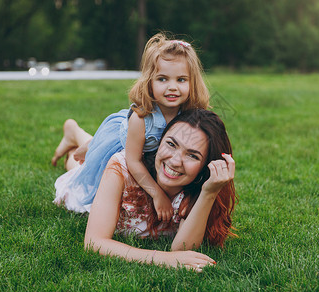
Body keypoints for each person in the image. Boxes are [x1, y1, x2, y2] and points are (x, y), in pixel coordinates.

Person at [51, 33, 209, 221]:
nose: (172, 87)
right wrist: (157, 194)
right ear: (149, 82)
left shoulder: (189, 114)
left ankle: (78, 137)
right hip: (121, 145)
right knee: (86, 172)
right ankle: (76, 138)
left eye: (181, 80)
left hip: (142, 149)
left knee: (90, 152)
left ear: (193, 82)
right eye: (162, 79)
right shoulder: (141, 118)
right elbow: (133, 162)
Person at [53, 109, 236, 272]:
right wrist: (164, 259)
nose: (174, 161)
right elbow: (94, 242)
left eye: (192, 155)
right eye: (171, 144)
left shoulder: (196, 188)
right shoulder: (121, 168)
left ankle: (80, 138)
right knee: (79, 169)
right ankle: (76, 134)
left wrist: (209, 192)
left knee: (86, 161)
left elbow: (183, 249)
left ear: (205, 167)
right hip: (97, 188)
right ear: (158, 142)